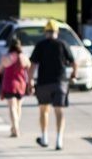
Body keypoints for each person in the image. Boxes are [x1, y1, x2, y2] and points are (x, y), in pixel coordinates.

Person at [29, 20, 75, 150]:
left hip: (43, 82)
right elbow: (73, 62)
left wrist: (30, 82)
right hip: (60, 82)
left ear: (45, 32)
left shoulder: (40, 45)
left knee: (44, 110)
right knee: (59, 110)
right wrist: (73, 75)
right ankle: (59, 140)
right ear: (57, 32)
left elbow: (32, 65)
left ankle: (44, 138)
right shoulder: (63, 44)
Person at [0, 35, 30, 137]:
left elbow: (0, 68)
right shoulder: (23, 57)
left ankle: (15, 128)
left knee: (12, 107)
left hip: (10, 84)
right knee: (18, 107)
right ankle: (15, 127)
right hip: (21, 84)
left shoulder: (7, 57)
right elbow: (29, 68)